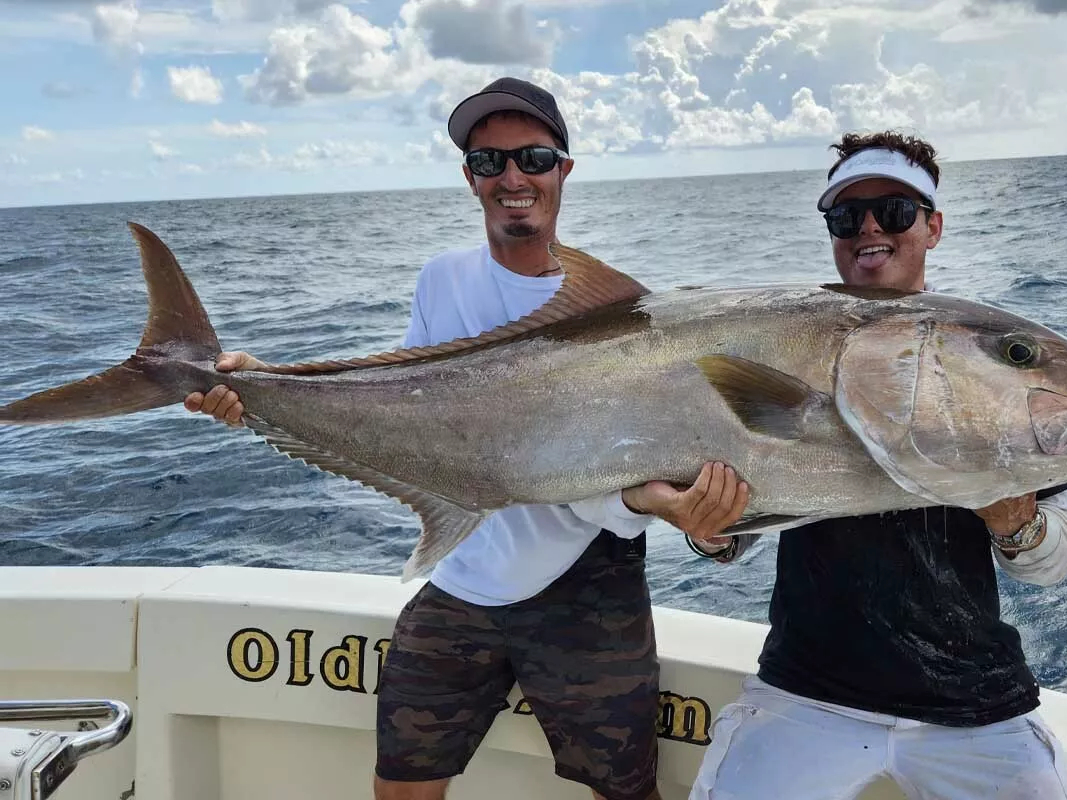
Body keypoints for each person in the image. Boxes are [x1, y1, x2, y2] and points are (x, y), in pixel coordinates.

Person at [184, 77, 749, 800]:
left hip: (588, 584)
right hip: (464, 575)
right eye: (490, 162)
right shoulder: (441, 280)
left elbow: (630, 467)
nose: (513, 177)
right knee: (402, 785)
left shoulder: (630, 316)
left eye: (534, 158)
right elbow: (405, 404)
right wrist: (265, 389)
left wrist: (665, 507)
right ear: (470, 178)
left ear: (563, 170)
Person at [687, 131, 1067, 800]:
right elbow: (734, 533)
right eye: (848, 216)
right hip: (808, 689)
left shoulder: (992, 358)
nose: (870, 228)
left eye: (895, 212)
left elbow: (1057, 560)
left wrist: (1014, 521)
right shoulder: (779, 346)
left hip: (975, 702)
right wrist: (709, 529)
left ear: (933, 226)